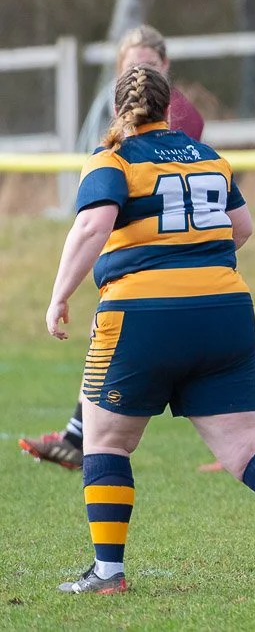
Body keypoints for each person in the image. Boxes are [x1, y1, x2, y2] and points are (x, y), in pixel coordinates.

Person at [44, 66, 255, 594]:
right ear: (170, 108)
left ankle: (108, 573)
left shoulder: (112, 159)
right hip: (225, 311)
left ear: (118, 113)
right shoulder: (208, 157)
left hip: (143, 315)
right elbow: (241, 228)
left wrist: (60, 293)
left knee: (106, 440)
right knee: (248, 448)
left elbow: (92, 224)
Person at [21, 24, 208, 471]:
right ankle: (77, 434)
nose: (139, 71)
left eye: (147, 64)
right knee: (113, 340)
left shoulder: (176, 117)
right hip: (146, 258)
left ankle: (85, 438)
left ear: (164, 67)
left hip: (162, 262)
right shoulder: (123, 122)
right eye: (130, 65)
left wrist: (61, 291)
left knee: (129, 345)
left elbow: (110, 211)